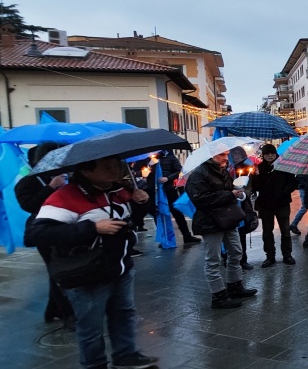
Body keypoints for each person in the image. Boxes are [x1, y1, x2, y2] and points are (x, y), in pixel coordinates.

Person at [25, 155, 158, 369]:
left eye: (116, 165)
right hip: (88, 274)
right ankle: (95, 364)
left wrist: (140, 201)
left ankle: (126, 356)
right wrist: (93, 228)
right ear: (86, 171)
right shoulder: (66, 196)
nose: (115, 170)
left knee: (123, 314)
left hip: (121, 268)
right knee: (91, 327)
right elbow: (36, 234)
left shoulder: (119, 190)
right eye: (107, 167)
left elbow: (129, 221)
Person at [185, 149, 258, 309]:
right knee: (213, 259)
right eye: (222, 155)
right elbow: (201, 200)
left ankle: (235, 286)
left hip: (227, 218)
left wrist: (239, 192)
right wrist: (230, 194)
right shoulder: (199, 174)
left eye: (226, 154)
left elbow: (227, 190)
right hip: (210, 222)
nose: (226, 158)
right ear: (211, 156)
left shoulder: (223, 171)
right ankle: (218, 296)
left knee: (236, 251)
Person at [17, 142, 74, 328]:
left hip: (68, 227)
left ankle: (53, 309)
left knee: (59, 269)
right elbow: (29, 205)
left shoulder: (69, 176)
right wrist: (50, 187)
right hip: (45, 231)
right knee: (58, 270)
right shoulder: (28, 182)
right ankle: (68, 314)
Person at [250, 144, 300, 267]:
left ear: (275, 154)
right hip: (265, 204)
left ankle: (287, 255)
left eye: (272, 153)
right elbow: (255, 187)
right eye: (267, 154)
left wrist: (285, 191)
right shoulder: (258, 168)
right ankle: (270, 256)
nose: (270, 156)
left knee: (285, 231)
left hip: (282, 203)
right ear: (263, 155)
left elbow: (294, 182)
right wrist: (255, 176)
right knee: (267, 231)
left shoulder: (283, 166)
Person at [146, 150, 201, 243]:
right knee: (159, 214)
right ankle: (164, 238)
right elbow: (144, 172)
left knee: (177, 213)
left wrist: (168, 178)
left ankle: (186, 235)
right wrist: (149, 167)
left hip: (169, 189)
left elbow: (179, 170)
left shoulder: (170, 157)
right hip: (155, 191)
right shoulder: (149, 159)